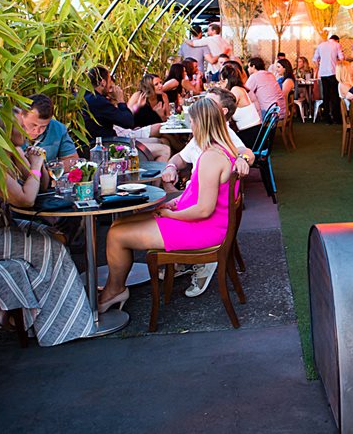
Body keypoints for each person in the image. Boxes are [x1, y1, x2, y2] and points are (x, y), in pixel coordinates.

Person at [0, 112, 95, 346]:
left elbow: (39, 184)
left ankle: (22, 315)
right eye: (22, 125)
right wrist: (35, 164)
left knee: (54, 236)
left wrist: (33, 164)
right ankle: (61, 326)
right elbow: (25, 199)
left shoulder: (9, 151)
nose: (29, 130)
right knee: (50, 249)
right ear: (4, 129)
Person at [100, 98, 247, 311]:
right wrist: (176, 203)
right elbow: (198, 194)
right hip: (203, 223)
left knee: (116, 235)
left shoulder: (211, 157)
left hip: (202, 229)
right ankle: (116, 287)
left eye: (192, 121)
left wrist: (171, 215)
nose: (191, 126)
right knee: (118, 225)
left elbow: (204, 209)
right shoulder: (219, 150)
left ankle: (115, 291)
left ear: (200, 123)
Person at [18, 94, 78, 167]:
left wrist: (47, 169)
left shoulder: (58, 128)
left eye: (43, 126)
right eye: (33, 125)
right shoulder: (7, 129)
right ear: (21, 115)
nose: (37, 131)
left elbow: (72, 161)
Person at [82, 66, 139, 141]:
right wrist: (120, 100)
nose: (111, 86)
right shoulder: (98, 101)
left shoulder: (84, 97)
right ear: (103, 83)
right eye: (109, 82)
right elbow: (128, 122)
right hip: (106, 144)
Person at [221, 64, 262, 146]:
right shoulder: (239, 88)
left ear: (226, 80)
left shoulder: (235, 90)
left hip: (251, 135)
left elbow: (226, 109)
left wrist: (221, 90)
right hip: (254, 131)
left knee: (223, 142)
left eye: (221, 80)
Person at [313, 33, 343, 124]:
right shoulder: (337, 45)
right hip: (333, 73)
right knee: (335, 96)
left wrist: (319, 66)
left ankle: (327, 118)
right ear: (337, 40)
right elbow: (342, 58)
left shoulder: (320, 45)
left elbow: (314, 59)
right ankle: (336, 118)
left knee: (326, 96)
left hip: (323, 74)